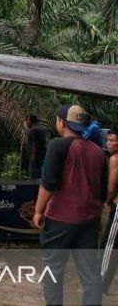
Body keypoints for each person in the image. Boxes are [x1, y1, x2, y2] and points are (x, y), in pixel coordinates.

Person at [32, 104, 107, 306]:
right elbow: (102, 192)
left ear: (62, 122)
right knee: (90, 273)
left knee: (53, 269)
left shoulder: (59, 145)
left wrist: (38, 211)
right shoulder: (98, 151)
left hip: (60, 220)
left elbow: (48, 183)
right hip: (89, 221)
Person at [102, 127, 118, 295]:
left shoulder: (115, 159)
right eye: (108, 139)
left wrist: (105, 201)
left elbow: (112, 188)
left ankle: (100, 283)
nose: (109, 143)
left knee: (108, 246)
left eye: (113, 140)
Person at [24, 114, 47, 179]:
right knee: (39, 175)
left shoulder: (34, 130)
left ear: (31, 120)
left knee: (34, 176)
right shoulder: (41, 129)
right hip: (41, 156)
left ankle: (34, 188)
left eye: (27, 120)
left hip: (35, 158)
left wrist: (33, 157)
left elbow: (35, 143)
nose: (26, 122)